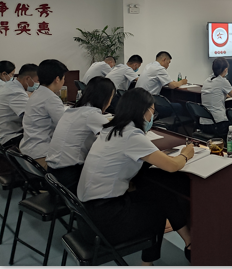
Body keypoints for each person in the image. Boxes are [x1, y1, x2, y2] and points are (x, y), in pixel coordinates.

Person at [77, 88, 194, 265]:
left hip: (87, 215)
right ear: (143, 111)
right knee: (157, 210)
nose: (153, 115)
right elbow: (172, 166)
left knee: (160, 192)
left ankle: (189, 241)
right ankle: (147, 264)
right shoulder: (131, 135)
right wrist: (186, 154)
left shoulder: (111, 129)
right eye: (153, 110)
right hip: (104, 222)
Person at [46, 77, 115, 192]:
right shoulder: (91, 114)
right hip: (68, 177)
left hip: (53, 174)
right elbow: (116, 136)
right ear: (105, 98)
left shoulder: (73, 110)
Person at [20, 59, 68, 169]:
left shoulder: (36, 93)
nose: (63, 82)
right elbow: (64, 126)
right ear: (57, 79)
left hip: (28, 150)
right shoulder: (51, 98)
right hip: (40, 155)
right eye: (63, 78)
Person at [137, 51, 188, 119]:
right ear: (164, 59)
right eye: (168, 62)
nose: (168, 65)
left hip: (139, 101)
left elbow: (167, 81)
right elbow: (172, 86)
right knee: (178, 107)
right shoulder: (159, 68)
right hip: (149, 104)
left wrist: (173, 82)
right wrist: (182, 82)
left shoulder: (149, 65)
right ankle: (168, 125)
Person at [200, 58, 232, 138]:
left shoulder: (207, 80)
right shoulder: (222, 81)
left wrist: (227, 95)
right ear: (225, 70)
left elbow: (216, 94)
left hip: (204, 124)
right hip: (218, 125)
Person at [0, 64, 38, 149]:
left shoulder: (11, 86)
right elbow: (31, 117)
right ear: (27, 79)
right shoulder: (16, 92)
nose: (38, 84)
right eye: (38, 81)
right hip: (8, 138)